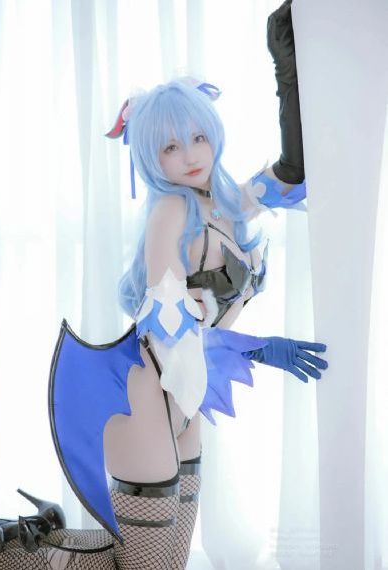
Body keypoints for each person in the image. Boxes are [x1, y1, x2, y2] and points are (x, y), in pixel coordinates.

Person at [102, 1, 328, 569]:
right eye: (170, 147)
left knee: (170, 562)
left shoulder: (225, 203)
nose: (190, 156)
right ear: (151, 158)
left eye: (198, 137)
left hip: (184, 405)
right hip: (150, 398)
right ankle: (7, 552)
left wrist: (286, 67)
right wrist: (260, 348)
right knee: (144, 565)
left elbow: (294, 173)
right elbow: (170, 332)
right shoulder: (170, 213)